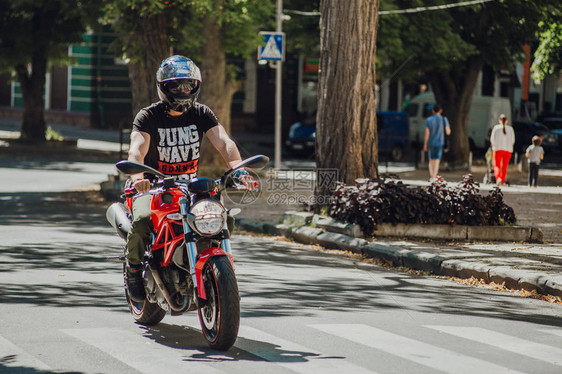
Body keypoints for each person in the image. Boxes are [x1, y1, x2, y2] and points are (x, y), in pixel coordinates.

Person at [125, 55, 253, 301]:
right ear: (163, 87)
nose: (183, 90)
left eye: (188, 84)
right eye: (176, 85)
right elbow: (136, 149)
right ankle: (133, 271)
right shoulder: (148, 116)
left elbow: (224, 141)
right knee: (141, 221)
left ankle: (209, 266)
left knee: (223, 219)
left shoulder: (201, 113)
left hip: (189, 187)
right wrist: (138, 175)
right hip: (152, 187)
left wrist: (238, 168)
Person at [423, 104, 451, 182]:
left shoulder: (428, 120)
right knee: (437, 160)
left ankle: (431, 176)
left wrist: (425, 144)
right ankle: (435, 176)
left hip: (431, 142)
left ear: (433, 111)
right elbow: (448, 132)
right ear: (440, 110)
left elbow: (427, 133)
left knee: (431, 160)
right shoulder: (444, 119)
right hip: (440, 142)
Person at [489, 114, 515, 186]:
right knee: (504, 167)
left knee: (497, 165)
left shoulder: (496, 128)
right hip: (508, 150)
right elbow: (513, 140)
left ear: (499, 120)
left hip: (498, 149)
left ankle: (498, 178)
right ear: (506, 121)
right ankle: (502, 181)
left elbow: (492, 139)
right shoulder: (510, 129)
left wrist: (494, 145)